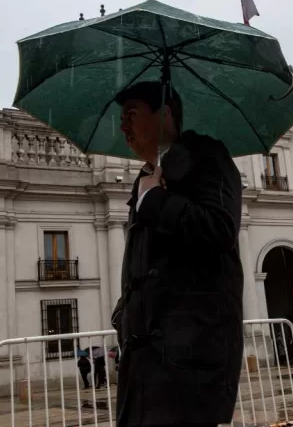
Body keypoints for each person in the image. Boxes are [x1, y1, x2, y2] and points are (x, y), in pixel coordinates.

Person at [110, 81, 244, 427]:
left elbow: (220, 228)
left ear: (165, 114)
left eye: (131, 115)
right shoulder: (146, 178)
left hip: (188, 369)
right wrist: (123, 316)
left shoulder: (207, 157)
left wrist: (156, 200)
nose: (123, 126)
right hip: (143, 369)